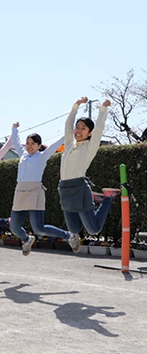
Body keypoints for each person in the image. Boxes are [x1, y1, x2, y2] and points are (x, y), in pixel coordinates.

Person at [58, 97, 119, 251]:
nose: (78, 130)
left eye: (83, 128)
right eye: (77, 127)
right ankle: (94, 199)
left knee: (93, 229)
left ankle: (106, 199)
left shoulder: (89, 148)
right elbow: (67, 125)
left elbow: (99, 129)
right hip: (64, 188)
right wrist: (76, 106)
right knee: (74, 229)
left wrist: (103, 109)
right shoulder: (70, 144)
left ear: (89, 133)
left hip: (79, 189)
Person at [9, 122, 79, 256]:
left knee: (39, 228)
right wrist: (15, 128)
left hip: (35, 192)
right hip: (20, 192)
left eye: (33, 144)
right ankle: (27, 239)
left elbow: (58, 143)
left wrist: (71, 132)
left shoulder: (42, 156)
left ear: (39, 146)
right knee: (14, 227)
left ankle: (69, 236)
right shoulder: (22, 154)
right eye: (28, 143)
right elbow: (16, 141)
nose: (29, 146)